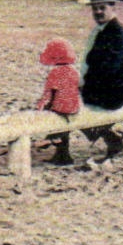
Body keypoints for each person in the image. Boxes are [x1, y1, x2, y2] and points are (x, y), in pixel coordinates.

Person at [78, 0, 123, 163]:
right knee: (66, 96)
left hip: (113, 92)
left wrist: (84, 86)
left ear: (113, 8)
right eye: (95, 9)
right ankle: (110, 137)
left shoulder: (116, 33)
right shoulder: (105, 30)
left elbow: (110, 70)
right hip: (110, 87)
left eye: (102, 8)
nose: (98, 12)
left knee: (63, 101)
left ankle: (63, 149)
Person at [35, 38, 83, 166]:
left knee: (55, 123)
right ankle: (63, 155)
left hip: (60, 107)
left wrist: (42, 106)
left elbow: (50, 93)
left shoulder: (55, 72)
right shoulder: (74, 71)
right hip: (73, 107)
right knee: (64, 129)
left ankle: (51, 139)